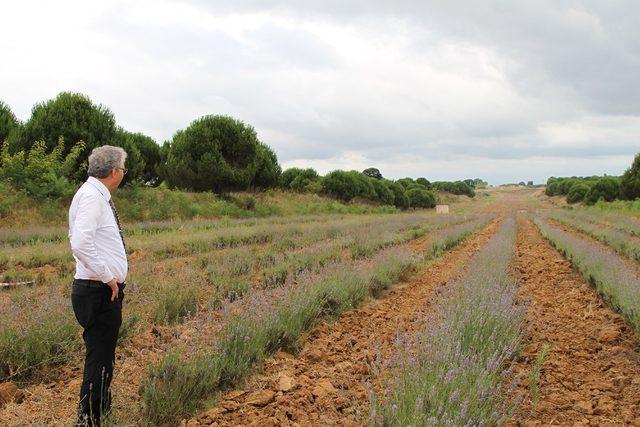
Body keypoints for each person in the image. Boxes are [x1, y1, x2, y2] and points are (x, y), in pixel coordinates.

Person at [68, 145, 128, 426]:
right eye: (124, 169)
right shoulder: (92, 197)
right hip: (99, 291)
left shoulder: (94, 195)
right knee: (98, 362)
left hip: (99, 289)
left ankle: (101, 414)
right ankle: (88, 421)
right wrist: (107, 277)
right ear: (114, 171)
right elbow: (80, 242)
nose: (124, 174)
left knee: (103, 359)